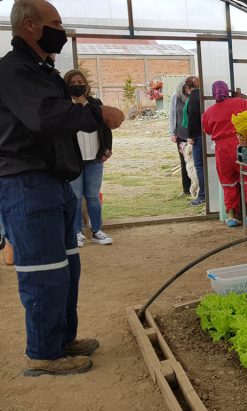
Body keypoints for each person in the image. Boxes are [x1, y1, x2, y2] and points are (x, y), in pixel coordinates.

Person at [0, 0, 125, 376]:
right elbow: (44, 116)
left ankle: (61, 340)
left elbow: (59, 113)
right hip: (27, 182)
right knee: (43, 271)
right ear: (30, 25)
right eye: (55, 22)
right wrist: (97, 114)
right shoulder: (13, 71)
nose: (62, 29)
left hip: (54, 180)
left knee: (66, 267)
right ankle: (41, 353)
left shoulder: (43, 70)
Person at [202, 80, 247, 227]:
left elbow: (207, 130)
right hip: (239, 144)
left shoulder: (208, 112)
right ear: (227, 91)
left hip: (221, 149)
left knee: (228, 181)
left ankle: (231, 216)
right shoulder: (238, 102)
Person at [64, 69, 114, 247]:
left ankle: (97, 231)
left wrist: (107, 149)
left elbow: (106, 128)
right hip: (74, 161)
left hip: (94, 159)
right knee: (75, 197)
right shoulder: (64, 106)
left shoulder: (94, 104)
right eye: (73, 83)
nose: (77, 86)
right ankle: (76, 232)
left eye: (80, 83)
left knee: (92, 196)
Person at [169, 78, 192, 196]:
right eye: (185, 88)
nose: (187, 90)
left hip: (193, 135)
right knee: (184, 162)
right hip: (181, 135)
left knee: (195, 162)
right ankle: (186, 189)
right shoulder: (175, 97)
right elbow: (172, 115)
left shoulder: (194, 97)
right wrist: (172, 133)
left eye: (189, 87)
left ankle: (197, 188)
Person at [184, 76, 205, 206]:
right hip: (208, 134)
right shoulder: (204, 95)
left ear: (187, 88)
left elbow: (192, 117)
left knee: (199, 165)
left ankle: (202, 195)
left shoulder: (193, 97)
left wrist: (190, 136)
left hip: (197, 134)